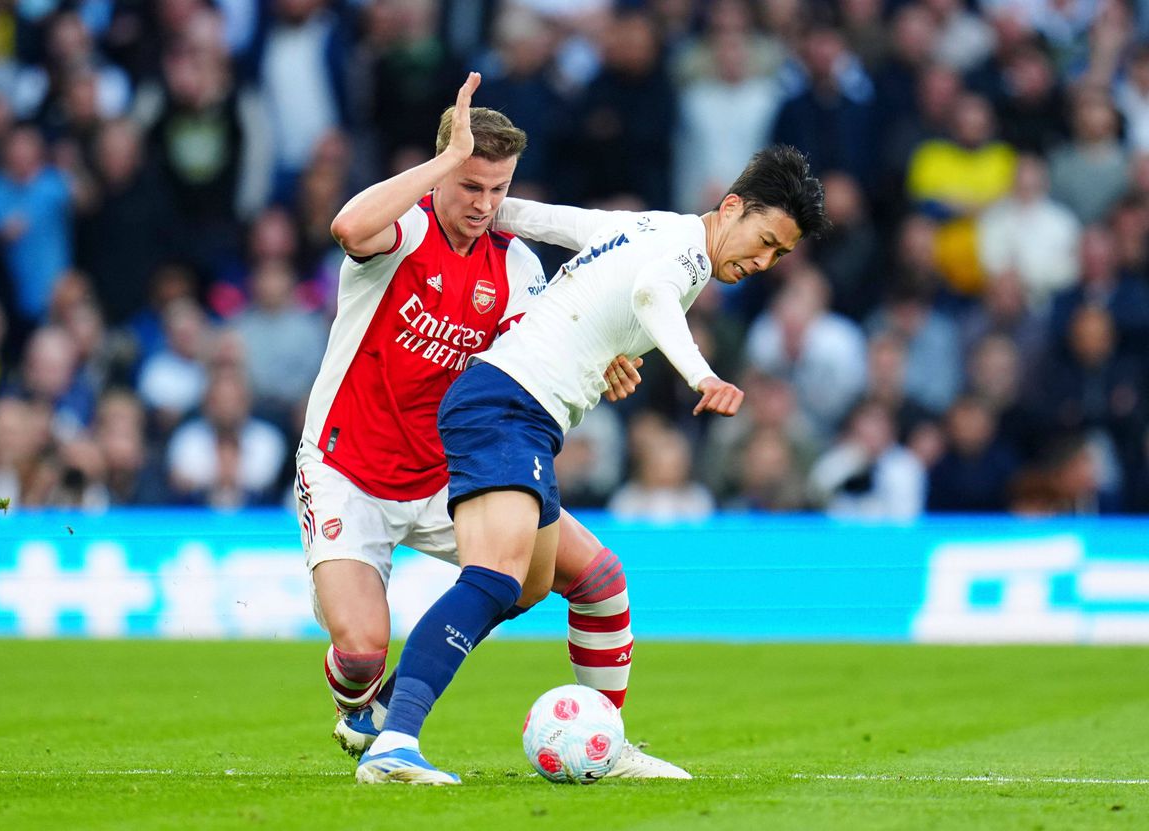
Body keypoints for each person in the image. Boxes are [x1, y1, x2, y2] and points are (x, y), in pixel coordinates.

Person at [355, 144, 829, 784]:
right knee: (495, 578)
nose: (763, 261)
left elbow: (551, 222)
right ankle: (392, 742)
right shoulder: (684, 258)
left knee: (596, 582)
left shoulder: (647, 227)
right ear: (733, 207)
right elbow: (652, 296)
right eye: (765, 240)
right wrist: (702, 374)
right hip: (505, 404)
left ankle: (603, 744)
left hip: (521, 414)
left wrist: (498, 212)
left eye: (779, 255)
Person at [296, 72, 685, 781]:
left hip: (449, 470)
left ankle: (609, 740)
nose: (485, 204)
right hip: (351, 468)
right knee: (359, 654)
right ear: (443, 168)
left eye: (498, 188)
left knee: (592, 578)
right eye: (469, 185)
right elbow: (347, 227)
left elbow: (533, 359)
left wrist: (605, 362)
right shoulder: (404, 225)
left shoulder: (517, 264)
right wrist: (443, 160)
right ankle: (363, 706)